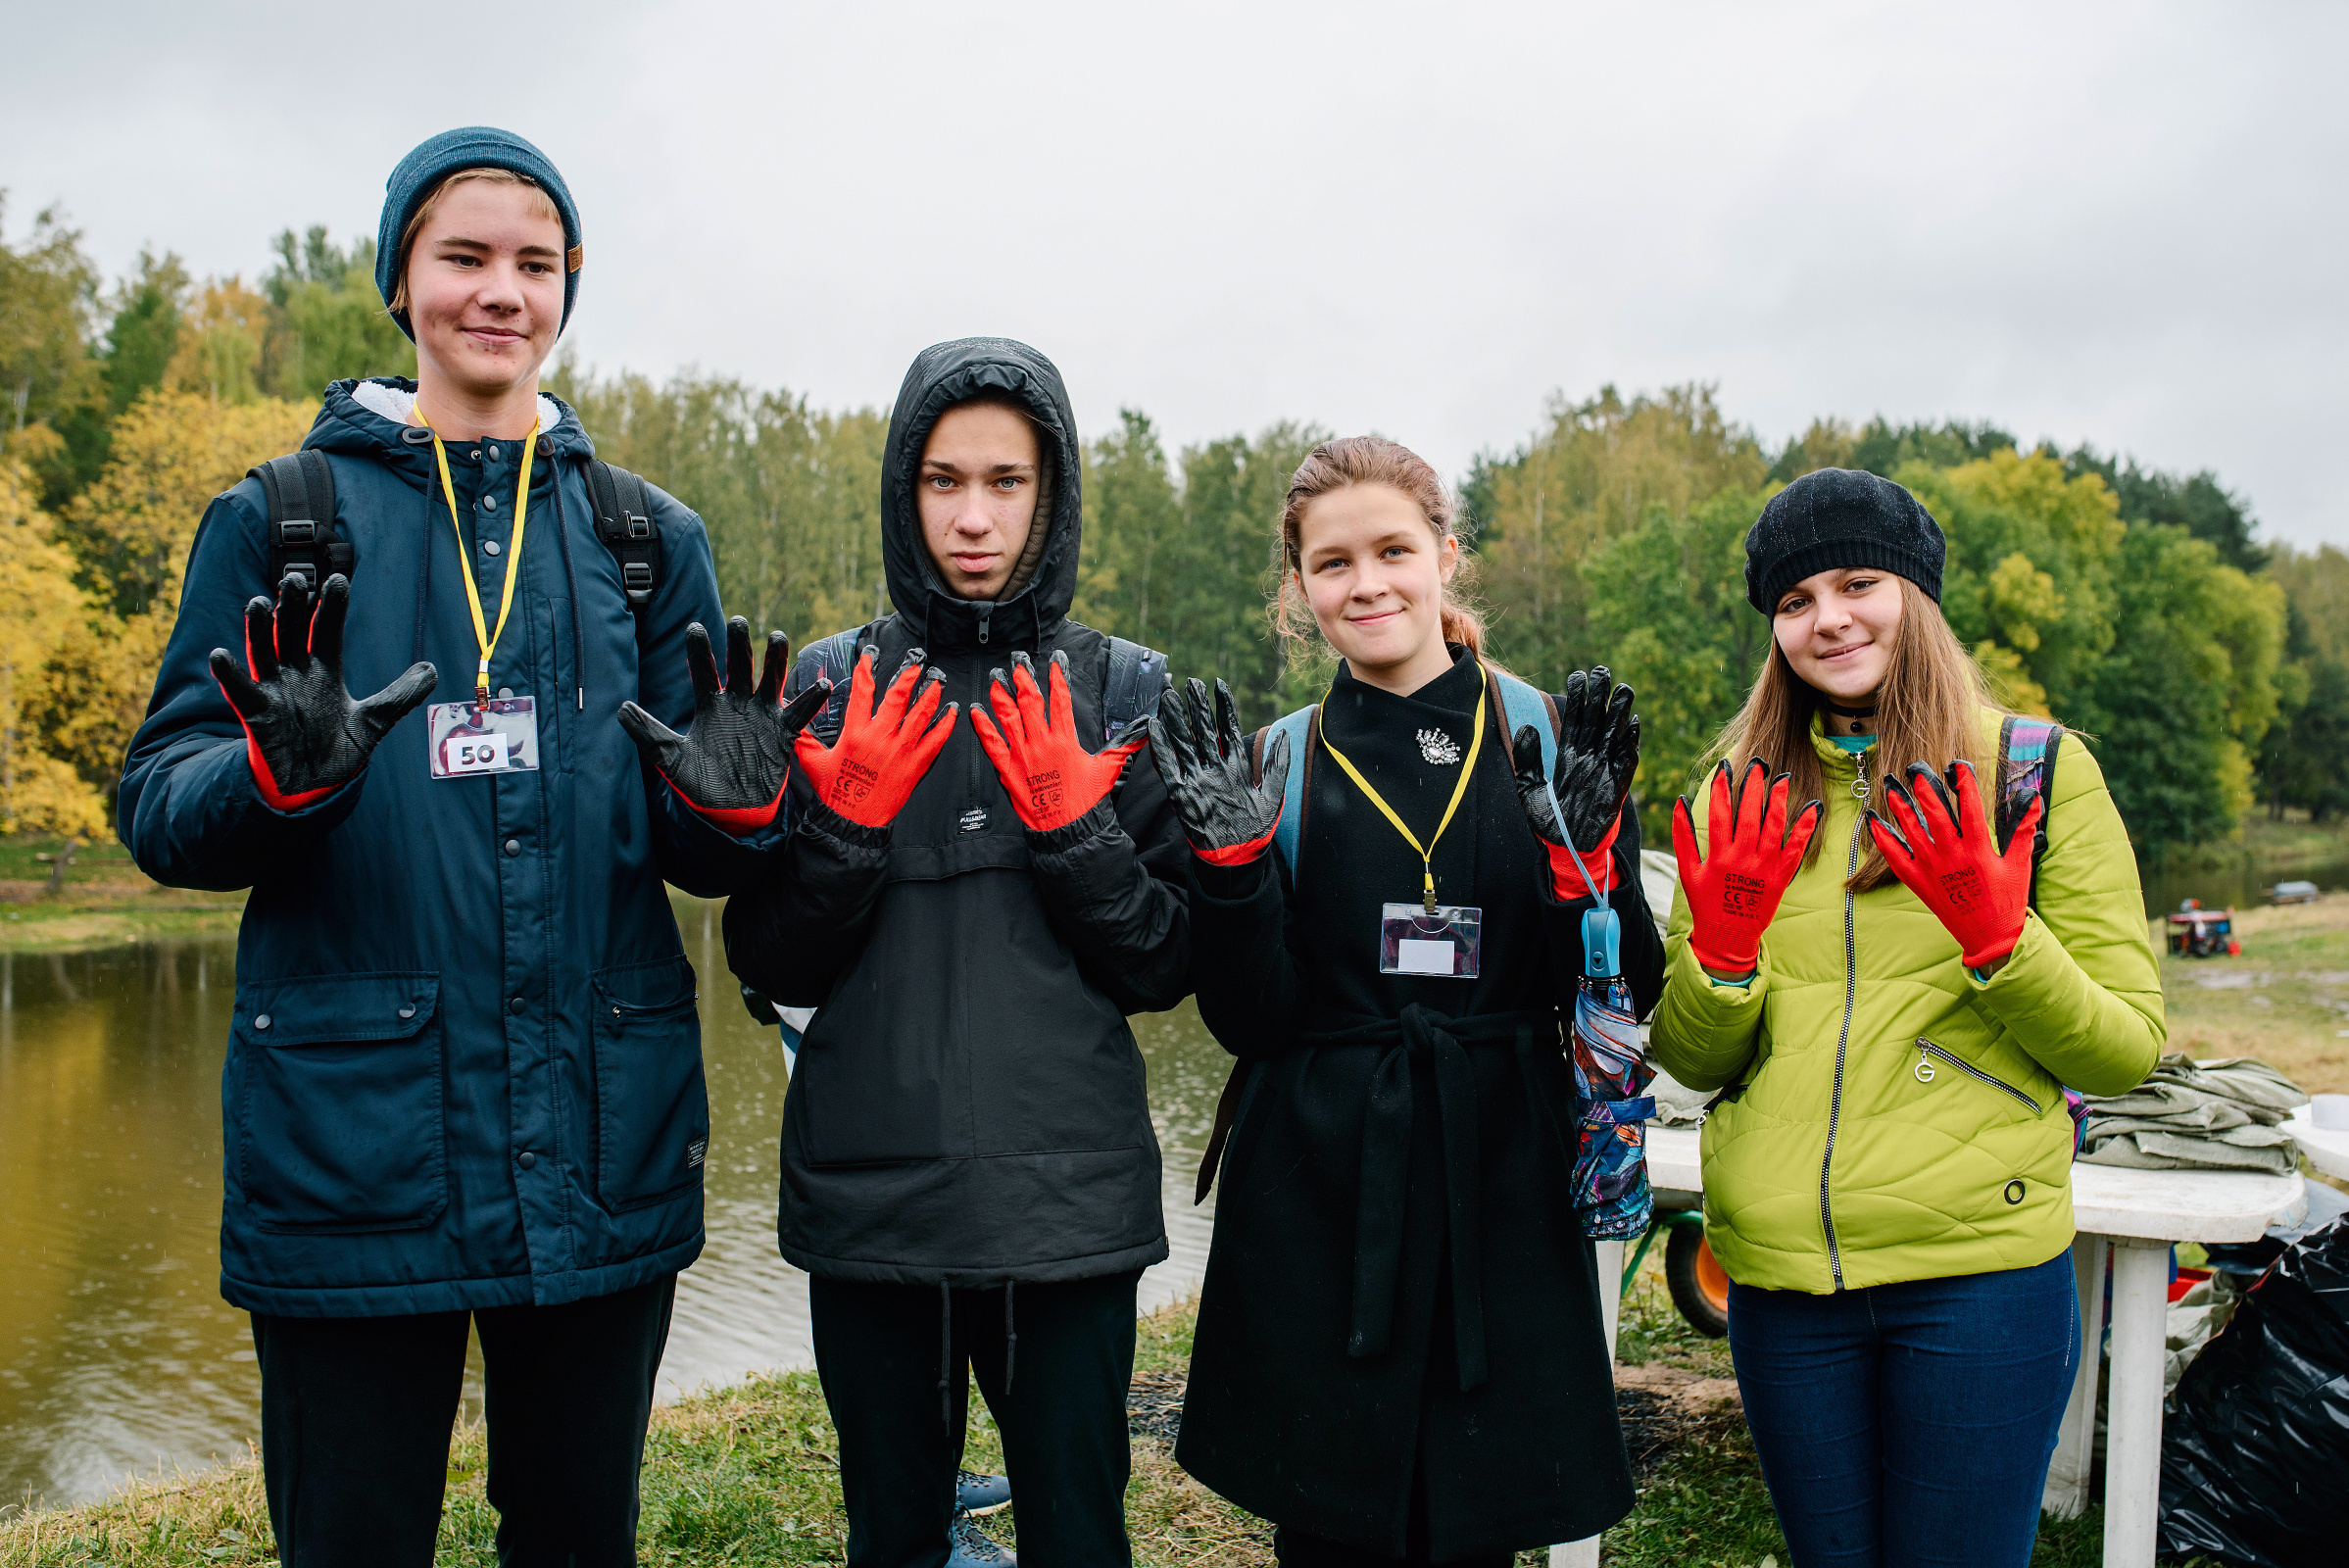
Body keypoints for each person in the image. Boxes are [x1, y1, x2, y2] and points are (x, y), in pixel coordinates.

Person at [117, 126, 797, 1567]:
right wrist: (268, 779)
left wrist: (738, 811)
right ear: (400, 282)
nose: (502, 290)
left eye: (535, 264)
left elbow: (698, 839)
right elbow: (159, 809)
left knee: (576, 1536)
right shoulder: (282, 519)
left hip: (599, 1142)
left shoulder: (642, 538)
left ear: (568, 292)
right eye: (465, 256)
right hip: (356, 1157)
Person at [719, 337, 1191, 1568]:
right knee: (893, 1536)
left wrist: (1077, 834)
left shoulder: (1125, 690)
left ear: (1055, 492)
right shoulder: (827, 683)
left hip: (1066, 1217)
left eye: (1006, 481)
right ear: (901, 490)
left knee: (1079, 1537)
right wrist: (841, 835)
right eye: (942, 481)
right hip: (875, 1211)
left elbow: (1164, 965)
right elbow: (768, 959)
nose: (973, 517)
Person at [1155, 436, 1661, 1565]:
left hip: (1501, 1174)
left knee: (1476, 1527)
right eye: (1333, 563)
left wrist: (1595, 868)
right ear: (1300, 591)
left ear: (1444, 555)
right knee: (1329, 1526)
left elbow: (1628, 987)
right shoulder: (1275, 763)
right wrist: (1230, 872)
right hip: (1322, 1184)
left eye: (1393, 549)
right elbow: (1251, 1019)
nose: (1367, 582)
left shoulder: (1543, 735)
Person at [1648, 466, 2164, 1568]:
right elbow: (1692, 1062)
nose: (1828, 618)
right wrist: (1725, 956)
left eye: (1857, 583)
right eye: (1794, 601)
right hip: (1786, 1286)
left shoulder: (2037, 774)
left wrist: (1999, 941)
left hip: (1976, 1280)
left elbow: (2121, 1048)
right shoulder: (1733, 797)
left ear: (1916, 596)